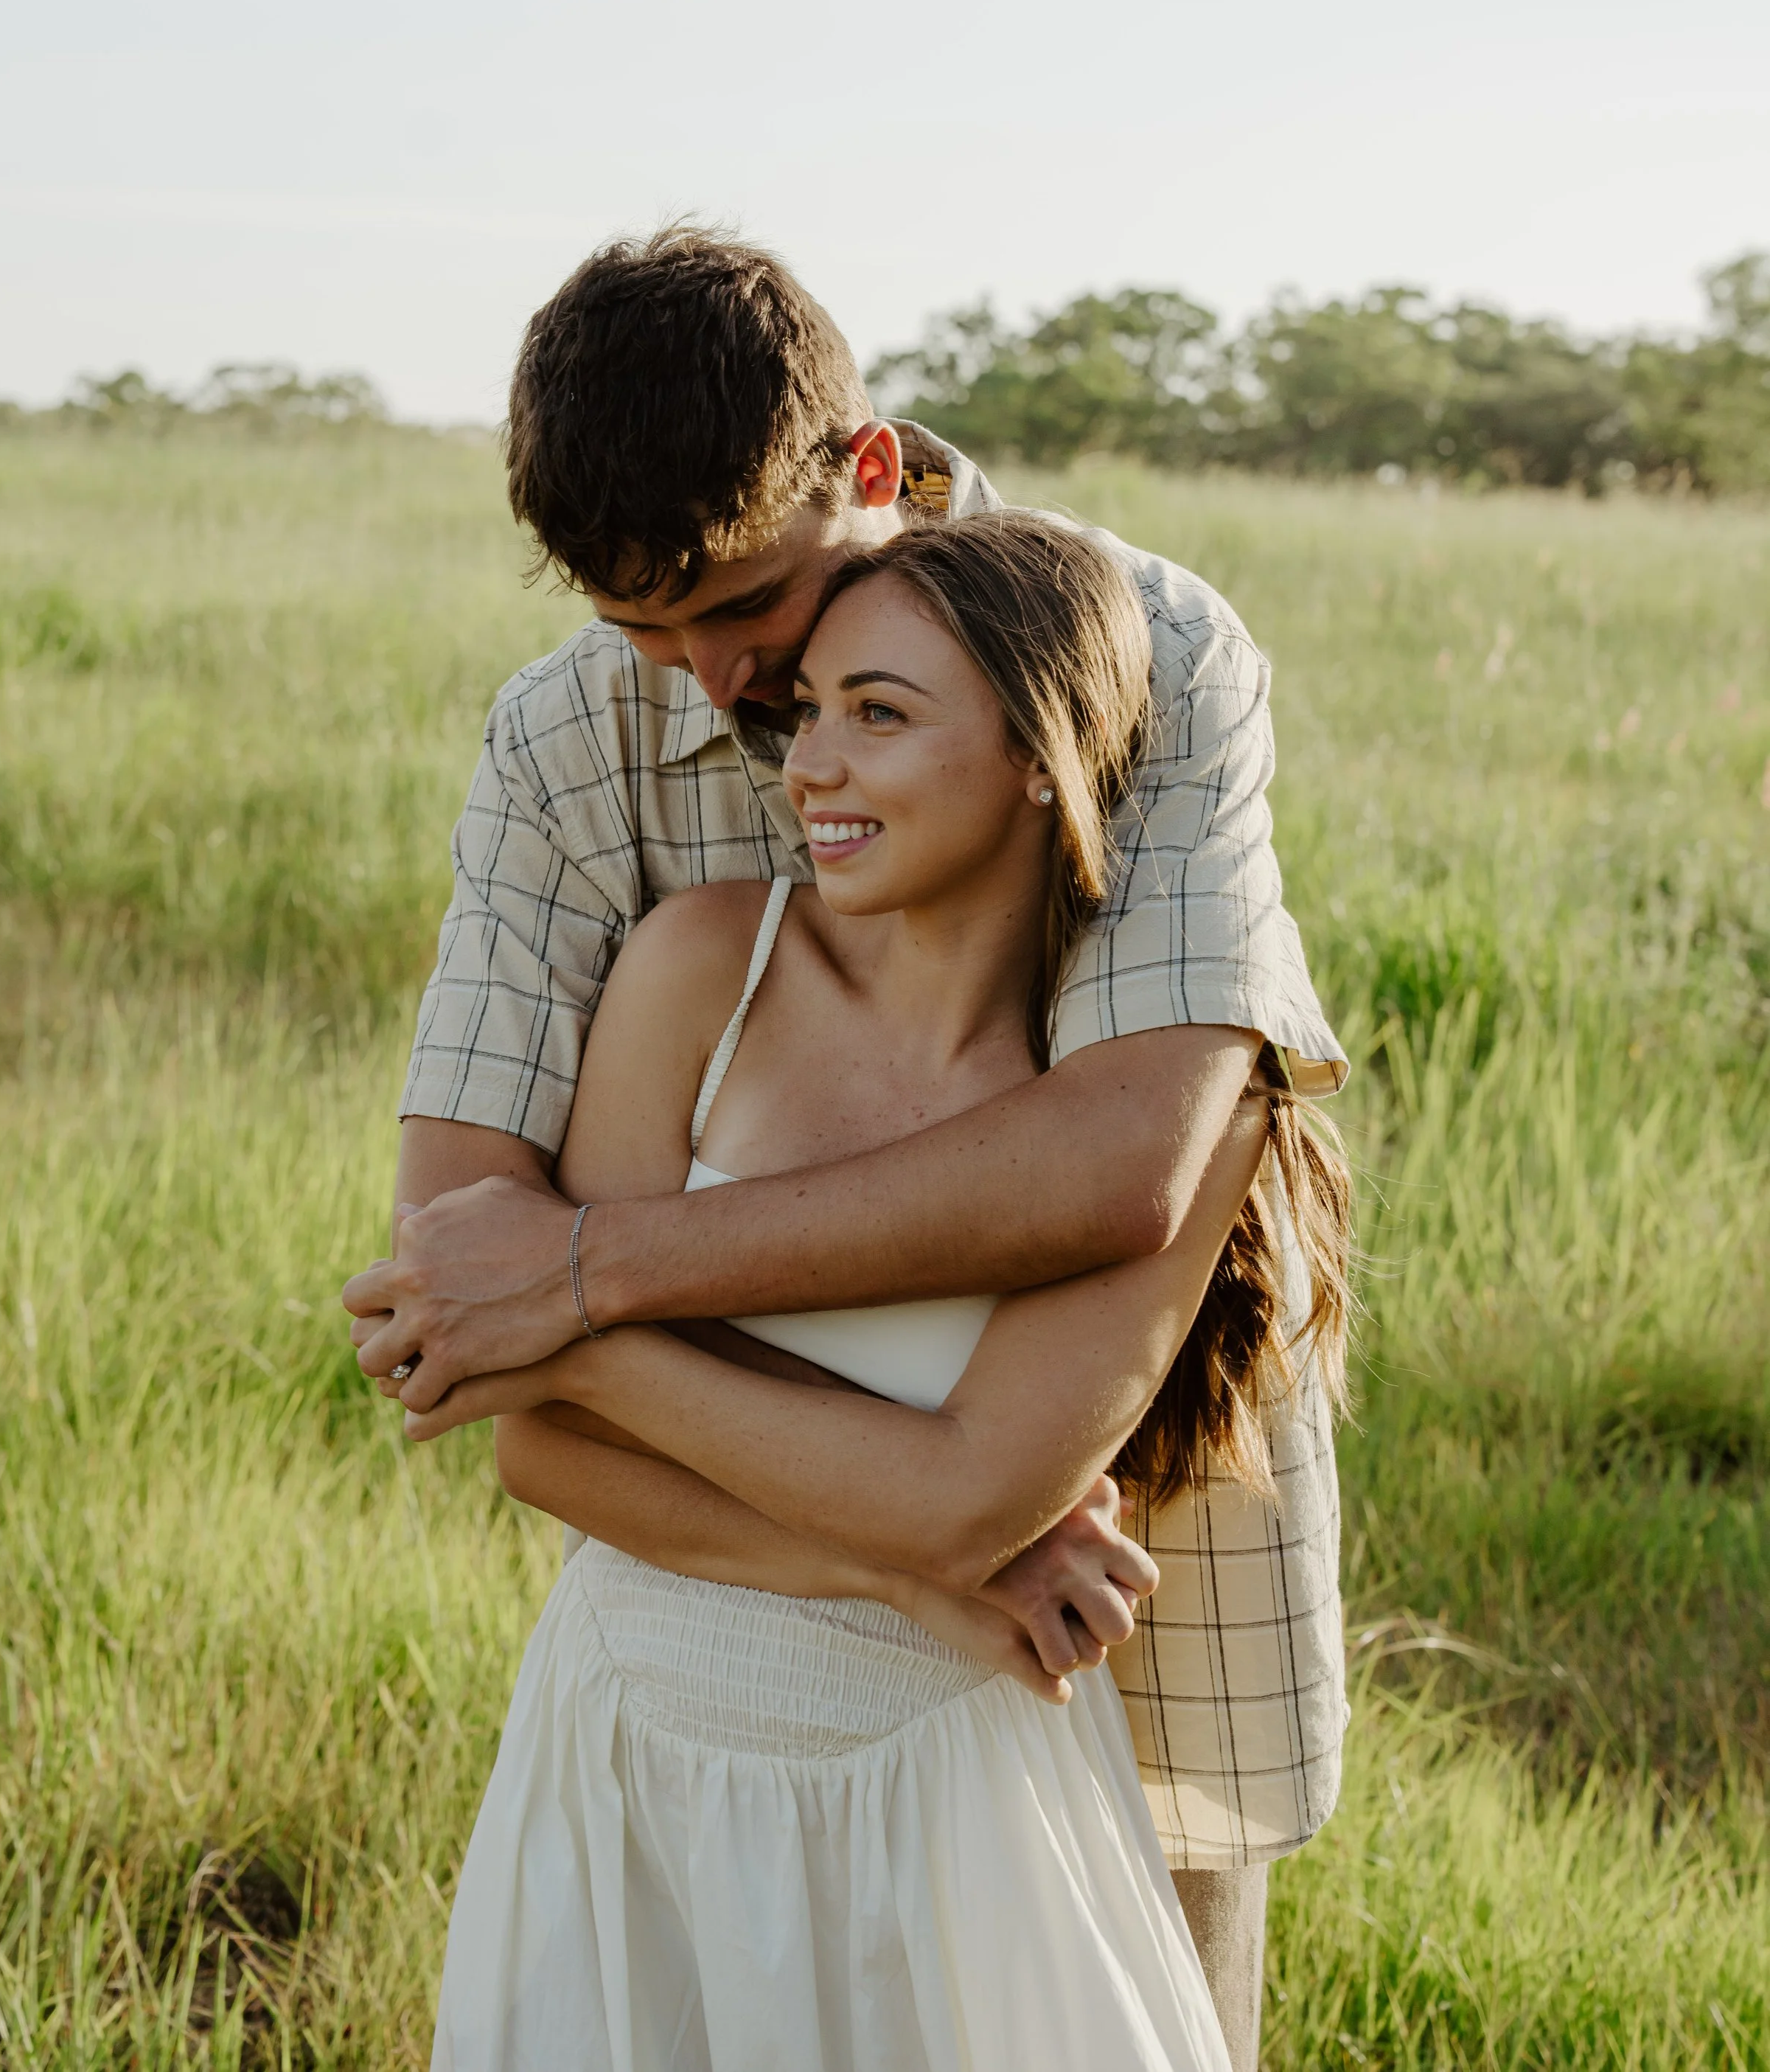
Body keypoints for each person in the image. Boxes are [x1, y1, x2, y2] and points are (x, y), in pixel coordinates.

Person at [343, 227, 1351, 2068]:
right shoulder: (570, 740)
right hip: (716, 1609)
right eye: (638, 627)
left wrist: (583, 1283)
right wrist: (909, 1558)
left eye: (743, 604)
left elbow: (1118, 1163)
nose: (709, 681)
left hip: (1109, 1543)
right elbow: (453, 1277)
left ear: (868, 467)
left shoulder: (1143, 653)